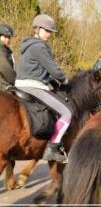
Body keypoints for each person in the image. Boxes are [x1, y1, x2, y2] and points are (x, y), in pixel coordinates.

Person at [15, 14, 71, 164]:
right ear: (37, 29)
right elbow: (53, 69)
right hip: (32, 86)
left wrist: (50, 81)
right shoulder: (39, 47)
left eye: (50, 31)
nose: (48, 34)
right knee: (67, 113)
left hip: (22, 83)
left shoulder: (28, 45)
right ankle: (52, 148)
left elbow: (39, 70)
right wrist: (63, 79)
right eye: (46, 30)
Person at [0, 23, 16, 91]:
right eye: (5, 37)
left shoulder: (6, 50)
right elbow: (5, 68)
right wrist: (16, 81)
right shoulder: (1, 50)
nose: (8, 39)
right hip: (2, 85)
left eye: (9, 37)